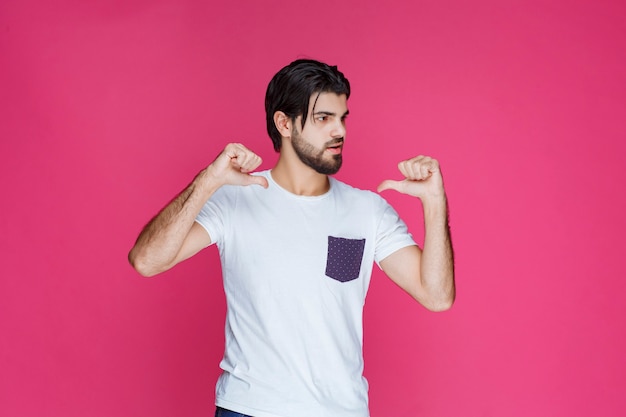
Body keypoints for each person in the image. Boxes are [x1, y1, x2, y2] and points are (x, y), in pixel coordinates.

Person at [128, 59, 455, 417]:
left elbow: (437, 296)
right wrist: (208, 181)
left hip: (340, 411)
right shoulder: (235, 199)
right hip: (248, 408)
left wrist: (434, 203)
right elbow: (147, 260)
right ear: (284, 123)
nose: (339, 131)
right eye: (323, 118)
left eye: (342, 117)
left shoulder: (367, 211)